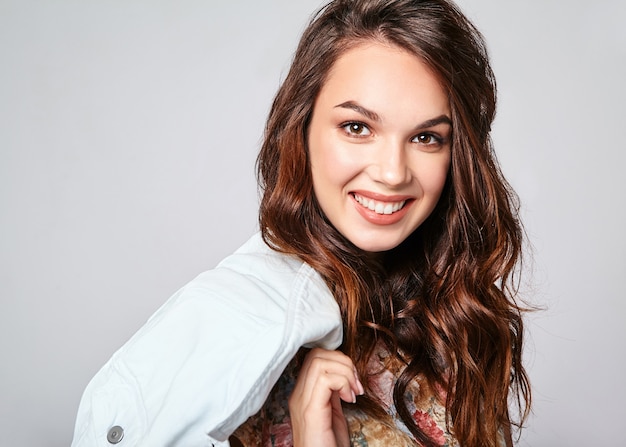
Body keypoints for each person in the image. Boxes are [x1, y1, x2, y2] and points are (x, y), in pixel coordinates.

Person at [71, 0, 531, 446]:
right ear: (302, 127)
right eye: (357, 127)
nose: (393, 172)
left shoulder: (459, 312)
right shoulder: (237, 330)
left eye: (427, 137)